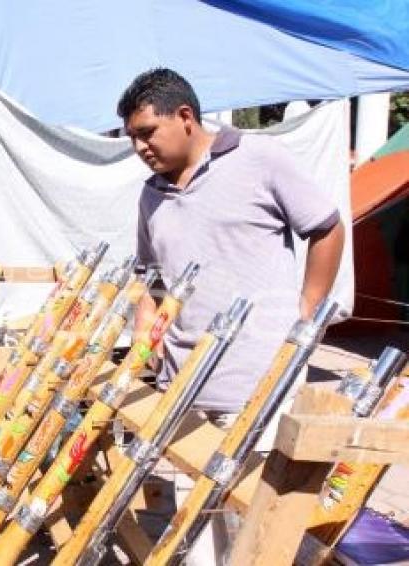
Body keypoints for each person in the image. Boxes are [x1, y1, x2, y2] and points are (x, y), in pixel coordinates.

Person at [120, 68, 345, 564]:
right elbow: (149, 278)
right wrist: (144, 342)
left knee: (256, 529)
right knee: (195, 530)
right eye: (132, 137)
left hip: (260, 381)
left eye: (146, 132)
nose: (138, 147)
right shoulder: (151, 194)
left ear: (184, 117)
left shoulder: (259, 159)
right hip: (184, 389)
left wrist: (306, 310)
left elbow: (326, 226)